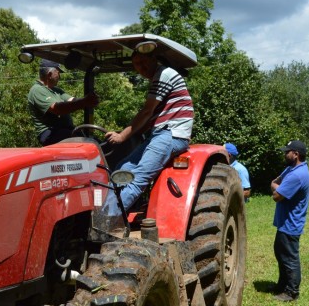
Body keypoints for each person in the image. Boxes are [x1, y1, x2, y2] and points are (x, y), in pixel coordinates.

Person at [103, 49, 193, 213]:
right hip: (159, 134)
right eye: (136, 64)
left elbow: (146, 112)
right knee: (120, 170)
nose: (141, 67)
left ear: (154, 58)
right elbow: (148, 119)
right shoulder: (157, 79)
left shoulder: (164, 74)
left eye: (143, 61)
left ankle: (105, 220)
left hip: (171, 134)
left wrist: (122, 136)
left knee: (136, 179)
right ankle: (102, 213)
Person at [271, 140, 309, 302]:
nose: (284, 154)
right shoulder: (291, 169)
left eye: (287, 151)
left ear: (296, 154)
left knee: (290, 258)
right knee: (281, 254)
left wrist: (275, 186)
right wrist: (276, 185)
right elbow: (276, 182)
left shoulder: (296, 175)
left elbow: (276, 196)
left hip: (291, 224)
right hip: (285, 223)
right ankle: (282, 285)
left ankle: (292, 292)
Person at [27, 59, 98, 146]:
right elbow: (57, 109)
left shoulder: (56, 90)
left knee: (97, 142)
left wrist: (88, 99)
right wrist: (84, 102)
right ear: (49, 75)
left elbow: (72, 100)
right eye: (58, 73)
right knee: (88, 144)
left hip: (65, 131)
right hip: (50, 134)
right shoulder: (37, 90)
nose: (59, 77)